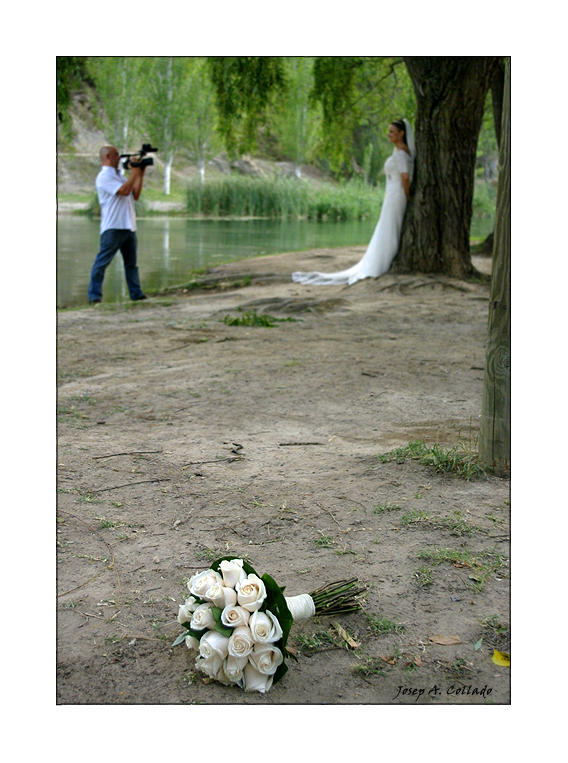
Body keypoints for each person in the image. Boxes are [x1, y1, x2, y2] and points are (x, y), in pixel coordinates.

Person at [292, 119, 416, 286]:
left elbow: (405, 176)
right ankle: (380, 259)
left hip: (397, 193)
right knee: (386, 226)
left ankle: (380, 263)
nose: (388, 134)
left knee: (390, 226)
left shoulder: (401, 154)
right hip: (393, 192)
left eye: (392, 131)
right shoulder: (399, 152)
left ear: (402, 133)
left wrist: (407, 195)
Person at [88, 145, 147, 304]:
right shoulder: (104, 177)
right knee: (102, 263)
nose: (119, 158)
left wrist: (140, 174)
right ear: (107, 157)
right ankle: (94, 296)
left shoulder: (120, 175)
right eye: (116, 156)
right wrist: (134, 172)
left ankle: (136, 294)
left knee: (131, 264)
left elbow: (135, 195)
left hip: (128, 226)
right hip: (113, 227)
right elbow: (124, 191)